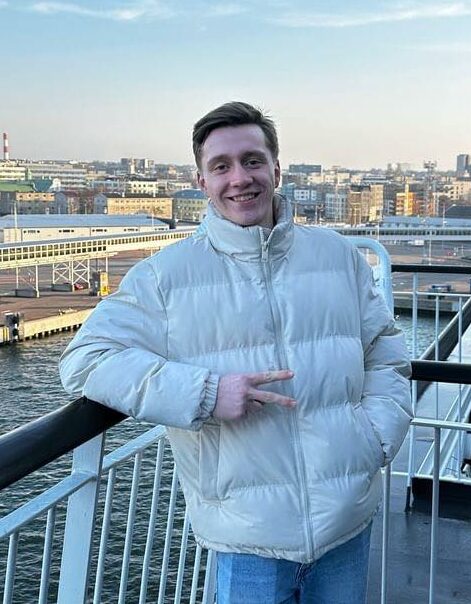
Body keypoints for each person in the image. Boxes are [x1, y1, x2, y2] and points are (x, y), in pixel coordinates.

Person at [59, 101, 412, 603]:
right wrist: (205, 394)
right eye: (221, 166)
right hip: (248, 538)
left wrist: (374, 439)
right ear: (202, 181)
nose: (239, 178)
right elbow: (85, 358)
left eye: (252, 161)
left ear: (276, 170)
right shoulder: (165, 277)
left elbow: (384, 351)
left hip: (346, 520)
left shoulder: (338, 256)